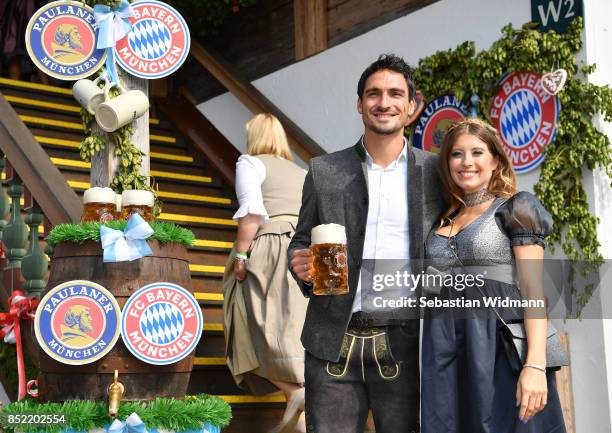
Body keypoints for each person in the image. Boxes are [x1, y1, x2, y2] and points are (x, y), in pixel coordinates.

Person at [288, 54, 444, 433]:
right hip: (332, 341)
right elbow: (302, 238)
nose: (384, 102)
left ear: (411, 106)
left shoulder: (436, 172)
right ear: (360, 104)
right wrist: (300, 263)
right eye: (373, 94)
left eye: (395, 93)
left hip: (407, 342)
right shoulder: (324, 169)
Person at [421, 118, 567, 433]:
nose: (467, 162)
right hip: (444, 352)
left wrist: (535, 365)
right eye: (457, 154)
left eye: (477, 152)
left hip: (499, 349)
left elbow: (533, 291)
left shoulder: (516, 209)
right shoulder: (439, 220)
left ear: (495, 160)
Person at [222, 113, 309, 433]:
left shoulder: (250, 162)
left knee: (243, 320)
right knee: (291, 329)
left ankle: (294, 393)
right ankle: (299, 412)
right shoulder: (301, 171)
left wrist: (242, 255)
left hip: (270, 246)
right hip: (303, 250)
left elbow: (253, 214)